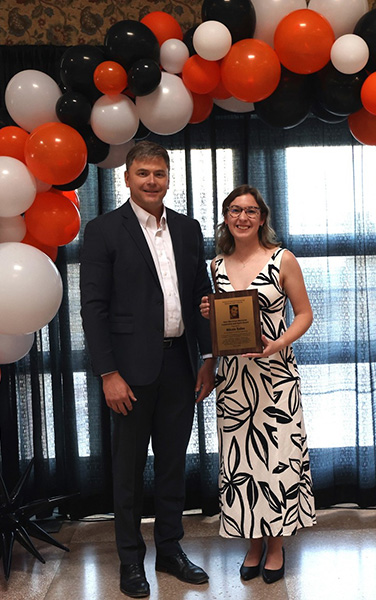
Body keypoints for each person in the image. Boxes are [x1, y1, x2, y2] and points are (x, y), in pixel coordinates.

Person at [80, 140, 215, 598]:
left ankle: (171, 551)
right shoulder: (102, 231)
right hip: (128, 373)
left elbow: (203, 298)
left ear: (168, 178)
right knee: (129, 472)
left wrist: (209, 356)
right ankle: (130, 562)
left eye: (159, 173)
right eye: (143, 174)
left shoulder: (189, 229)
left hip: (181, 364)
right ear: (127, 178)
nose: (151, 181)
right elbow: (93, 309)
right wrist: (107, 373)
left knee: (174, 466)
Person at [200, 184, 316, 584]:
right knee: (241, 466)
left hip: (276, 376)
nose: (243, 217)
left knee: (277, 461)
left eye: (251, 211)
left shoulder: (282, 258)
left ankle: (277, 546)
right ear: (226, 218)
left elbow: (304, 314)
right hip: (234, 381)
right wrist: (208, 313)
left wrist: (279, 343)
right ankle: (252, 544)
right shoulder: (215, 266)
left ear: (262, 218)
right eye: (235, 210)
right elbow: (220, 329)